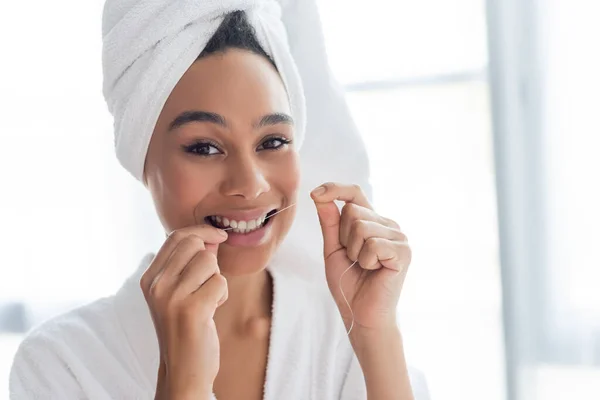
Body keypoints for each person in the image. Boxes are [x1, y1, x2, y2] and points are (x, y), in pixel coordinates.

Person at [10, 2, 429, 400]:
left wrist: (377, 337)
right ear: (142, 160)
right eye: (205, 148)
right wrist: (183, 383)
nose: (250, 184)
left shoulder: (345, 336)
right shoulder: (61, 364)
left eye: (273, 141)